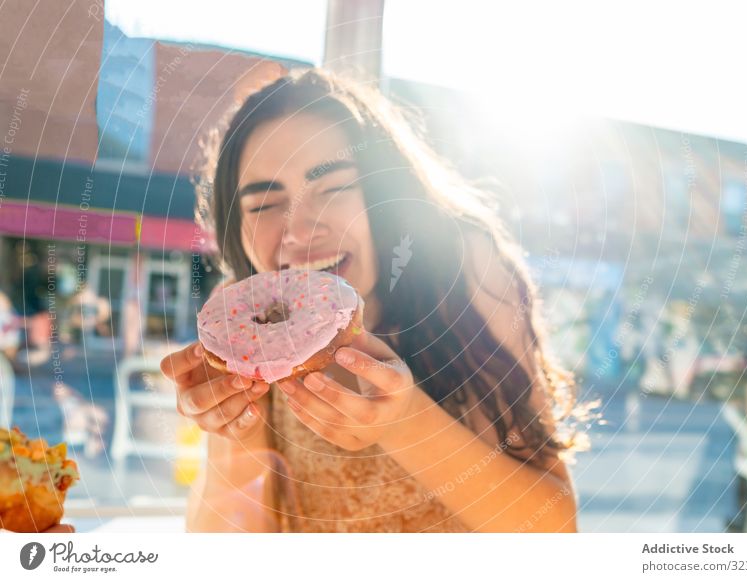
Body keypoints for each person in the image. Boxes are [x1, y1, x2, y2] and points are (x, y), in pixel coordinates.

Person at [161, 68, 589, 533]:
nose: (301, 232)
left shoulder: (466, 269)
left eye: (335, 188)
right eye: (263, 206)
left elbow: (554, 531)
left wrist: (403, 423)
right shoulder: (244, 327)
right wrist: (233, 435)